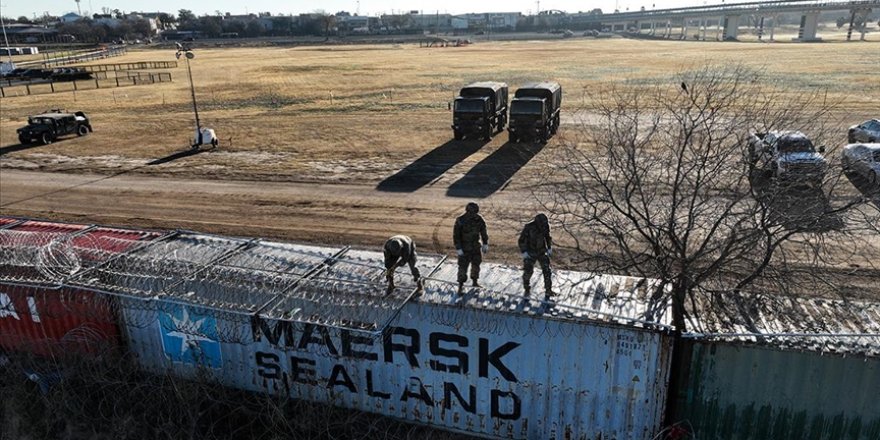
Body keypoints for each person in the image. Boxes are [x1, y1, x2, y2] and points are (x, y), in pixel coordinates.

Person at [453, 202, 489, 294]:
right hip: (464, 248)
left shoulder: (479, 219)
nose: (474, 214)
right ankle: (460, 286)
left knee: (476, 264)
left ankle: (475, 282)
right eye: (472, 212)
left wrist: (485, 243)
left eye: (475, 212)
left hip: (475, 247)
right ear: (468, 211)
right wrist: (458, 248)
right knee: (462, 267)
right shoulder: (460, 220)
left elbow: (483, 232)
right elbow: (456, 236)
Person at [518, 213, 554, 298]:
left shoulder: (545, 226)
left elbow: (547, 237)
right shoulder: (529, 227)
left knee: (547, 271)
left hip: (541, 251)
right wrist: (524, 252)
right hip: (530, 252)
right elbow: (521, 240)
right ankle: (527, 288)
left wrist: (549, 247)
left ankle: (548, 290)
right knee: (528, 271)